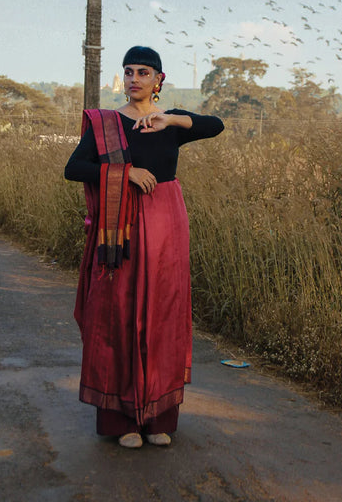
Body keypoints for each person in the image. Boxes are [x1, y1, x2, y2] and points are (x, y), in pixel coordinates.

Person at [64, 46, 224, 448]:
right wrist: (125, 171)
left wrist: (169, 117)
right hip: (121, 231)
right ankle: (123, 422)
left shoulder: (167, 124)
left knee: (162, 315)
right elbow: (73, 168)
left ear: (158, 80)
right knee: (119, 314)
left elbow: (216, 124)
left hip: (167, 227)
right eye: (129, 71)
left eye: (144, 72)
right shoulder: (106, 123)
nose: (134, 78)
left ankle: (157, 418)